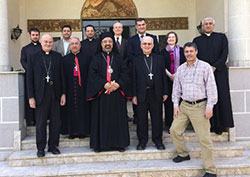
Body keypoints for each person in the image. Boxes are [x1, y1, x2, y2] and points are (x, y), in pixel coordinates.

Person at [170, 42, 218, 177]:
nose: (189, 54)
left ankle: (210, 170)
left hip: (200, 106)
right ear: (184, 53)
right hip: (184, 106)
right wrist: (175, 105)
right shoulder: (181, 69)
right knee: (174, 130)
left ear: (196, 52)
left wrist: (210, 106)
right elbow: (176, 89)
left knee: (204, 139)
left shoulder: (205, 67)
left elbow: (211, 88)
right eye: (186, 52)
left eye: (191, 51)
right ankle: (183, 154)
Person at [87, 32, 130, 153]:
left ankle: (120, 143)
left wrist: (118, 84)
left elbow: (125, 73)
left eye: (110, 42)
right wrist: (103, 84)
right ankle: (99, 145)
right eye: (105, 42)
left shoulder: (119, 58)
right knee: (100, 120)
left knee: (118, 120)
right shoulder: (95, 59)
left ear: (113, 44)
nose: (107, 44)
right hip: (101, 96)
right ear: (100, 44)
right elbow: (92, 75)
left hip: (117, 95)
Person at [27, 34, 66, 157]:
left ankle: (53, 146)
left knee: (55, 122)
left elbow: (62, 77)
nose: (48, 44)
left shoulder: (58, 57)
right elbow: (29, 79)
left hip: (55, 94)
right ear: (41, 42)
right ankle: (40, 148)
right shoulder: (33, 57)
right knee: (41, 123)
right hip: (40, 95)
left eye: (50, 42)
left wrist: (63, 94)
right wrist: (31, 97)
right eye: (45, 42)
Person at [193, 17, 234, 135]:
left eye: (210, 24)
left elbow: (224, 54)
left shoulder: (221, 38)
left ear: (213, 25)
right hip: (203, 73)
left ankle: (219, 126)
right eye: (205, 24)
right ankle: (207, 125)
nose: (208, 26)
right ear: (202, 26)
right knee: (205, 98)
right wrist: (206, 68)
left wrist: (214, 66)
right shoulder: (197, 40)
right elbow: (196, 56)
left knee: (220, 97)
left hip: (219, 73)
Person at [132, 36, 168, 150]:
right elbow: (133, 78)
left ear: (153, 46)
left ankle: (158, 140)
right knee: (141, 119)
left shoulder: (159, 59)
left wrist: (165, 92)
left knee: (157, 118)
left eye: (149, 44)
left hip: (156, 92)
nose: (147, 46)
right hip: (141, 93)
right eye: (144, 44)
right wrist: (133, 95)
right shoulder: (136, 60)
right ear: (141, 46)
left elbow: (163, 76)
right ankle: (142, 141)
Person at [127, 18, 159, 123]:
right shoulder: (131, 40)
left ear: (146, 26)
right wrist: (141, 61)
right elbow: (129, 55)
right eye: (139, 25)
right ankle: (137, 118)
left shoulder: (153, 38)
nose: (141, 26)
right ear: (136, 27)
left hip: (152, 71)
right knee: (138, 100)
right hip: (138, 71)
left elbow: (157, 54)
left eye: (143, 24)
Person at [62, 37, 91, 139]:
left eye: (76, 44)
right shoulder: (64, 60)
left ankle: (83, 131)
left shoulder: (87, 58)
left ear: (80, 45)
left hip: (83, 90)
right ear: (69, 46)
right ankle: (72, 132)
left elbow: (90, 75)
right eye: (72, 44)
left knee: (83, 110)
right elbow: (62, 77)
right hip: (70, 90)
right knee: (70, 110)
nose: (74, 46)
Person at [160, 32, 186, 132]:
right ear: (166, 39)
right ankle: (169, 124)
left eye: (173, 37)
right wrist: (170, 75)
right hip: (167, 80)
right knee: (168, 103)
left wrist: (176, 74)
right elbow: (162, 65)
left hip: (180, 79)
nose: (171, 39)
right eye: (169, 37)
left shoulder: (182, 50)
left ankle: (180, 125)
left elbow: (184, 64)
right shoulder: (162, 52)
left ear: (176, 39)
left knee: (179, 102)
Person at [20, 28, 42, 126]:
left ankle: (40, 119)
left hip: (41, 77)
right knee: (30, 97)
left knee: (40, 97)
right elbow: (23, 61)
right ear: (30, 35)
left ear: (39, 35)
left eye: (37, 35)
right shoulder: (25, 49)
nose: (35, 36)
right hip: (29, 76)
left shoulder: (43, 47)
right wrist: (30, 70)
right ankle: (30, 119)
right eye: (33, 35)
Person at [113, 21, 131, 121]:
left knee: (123, 95)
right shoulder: (110, 42)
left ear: (122, 29)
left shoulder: (126, 42)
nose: (118, 29)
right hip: (111, 72)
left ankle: (124, 115)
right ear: (113, 29)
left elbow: (128, 56)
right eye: (116, 27)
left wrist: (122, 66)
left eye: (120, 27)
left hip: (123, 72)